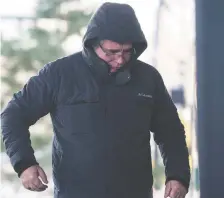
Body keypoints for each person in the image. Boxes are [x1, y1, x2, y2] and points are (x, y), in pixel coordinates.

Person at [1, 2, 190, 198]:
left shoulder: (148, 78)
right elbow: (13, 115)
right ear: (93, 43)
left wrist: (178, 176)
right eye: (112, 52)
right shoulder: (59, 74)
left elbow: (171, 131)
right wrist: (24, 164)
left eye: (127, 52)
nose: (120, 60)